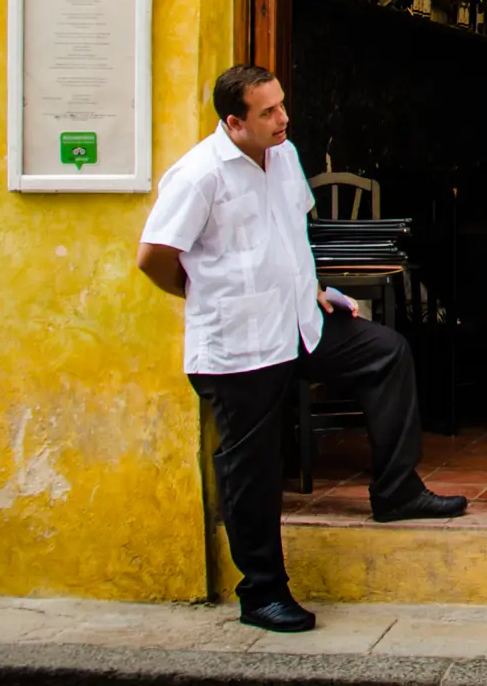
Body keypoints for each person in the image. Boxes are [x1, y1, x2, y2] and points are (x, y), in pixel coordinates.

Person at [137, 65, 465, 632]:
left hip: (299, 325)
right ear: (233, 122)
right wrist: (207, 296)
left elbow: (288, 235)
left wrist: (316, 290)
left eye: (281, 105)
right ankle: (261, 593)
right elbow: (154, 256)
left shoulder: (283, 155)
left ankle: (396, 491)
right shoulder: (199, 175)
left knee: (386, 352)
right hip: (239, 344)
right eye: (267, 112)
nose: (282, 117)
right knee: (253, 467)